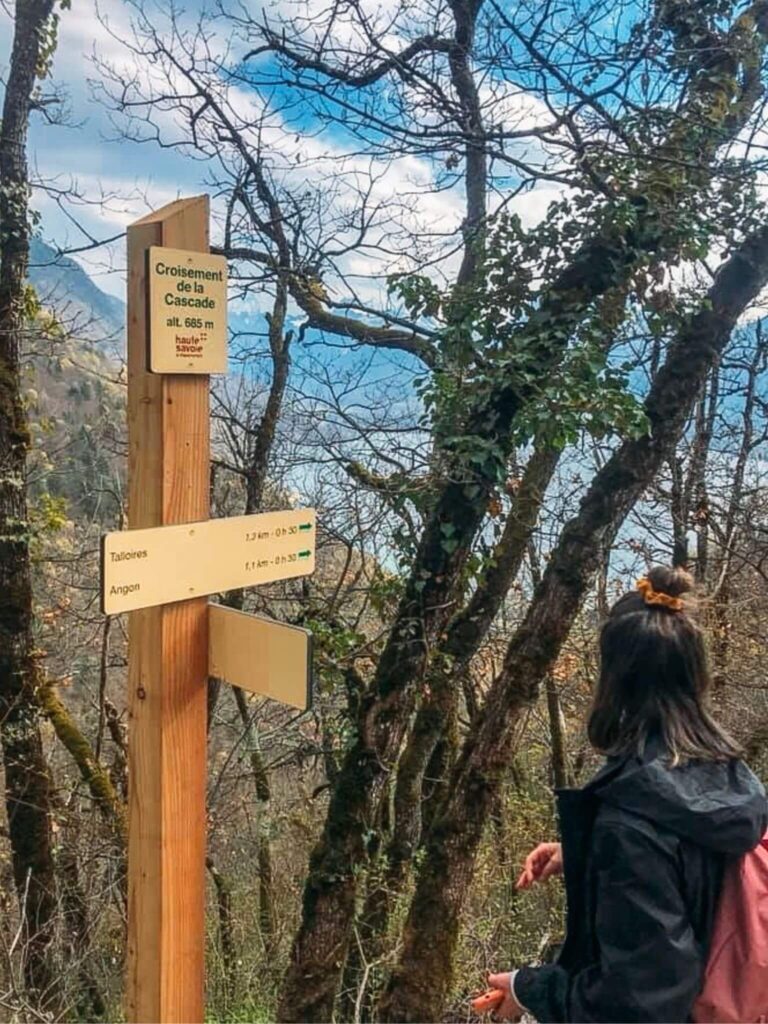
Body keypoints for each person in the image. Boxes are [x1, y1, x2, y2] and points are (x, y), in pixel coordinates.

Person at [487, 566, 768, 1023]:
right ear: (695, 674)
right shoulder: (732, 780)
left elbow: (638, 1003)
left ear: (613, 681)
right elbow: (700, 883)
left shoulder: (630, 822)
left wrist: (530, 989)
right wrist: (584, 854)